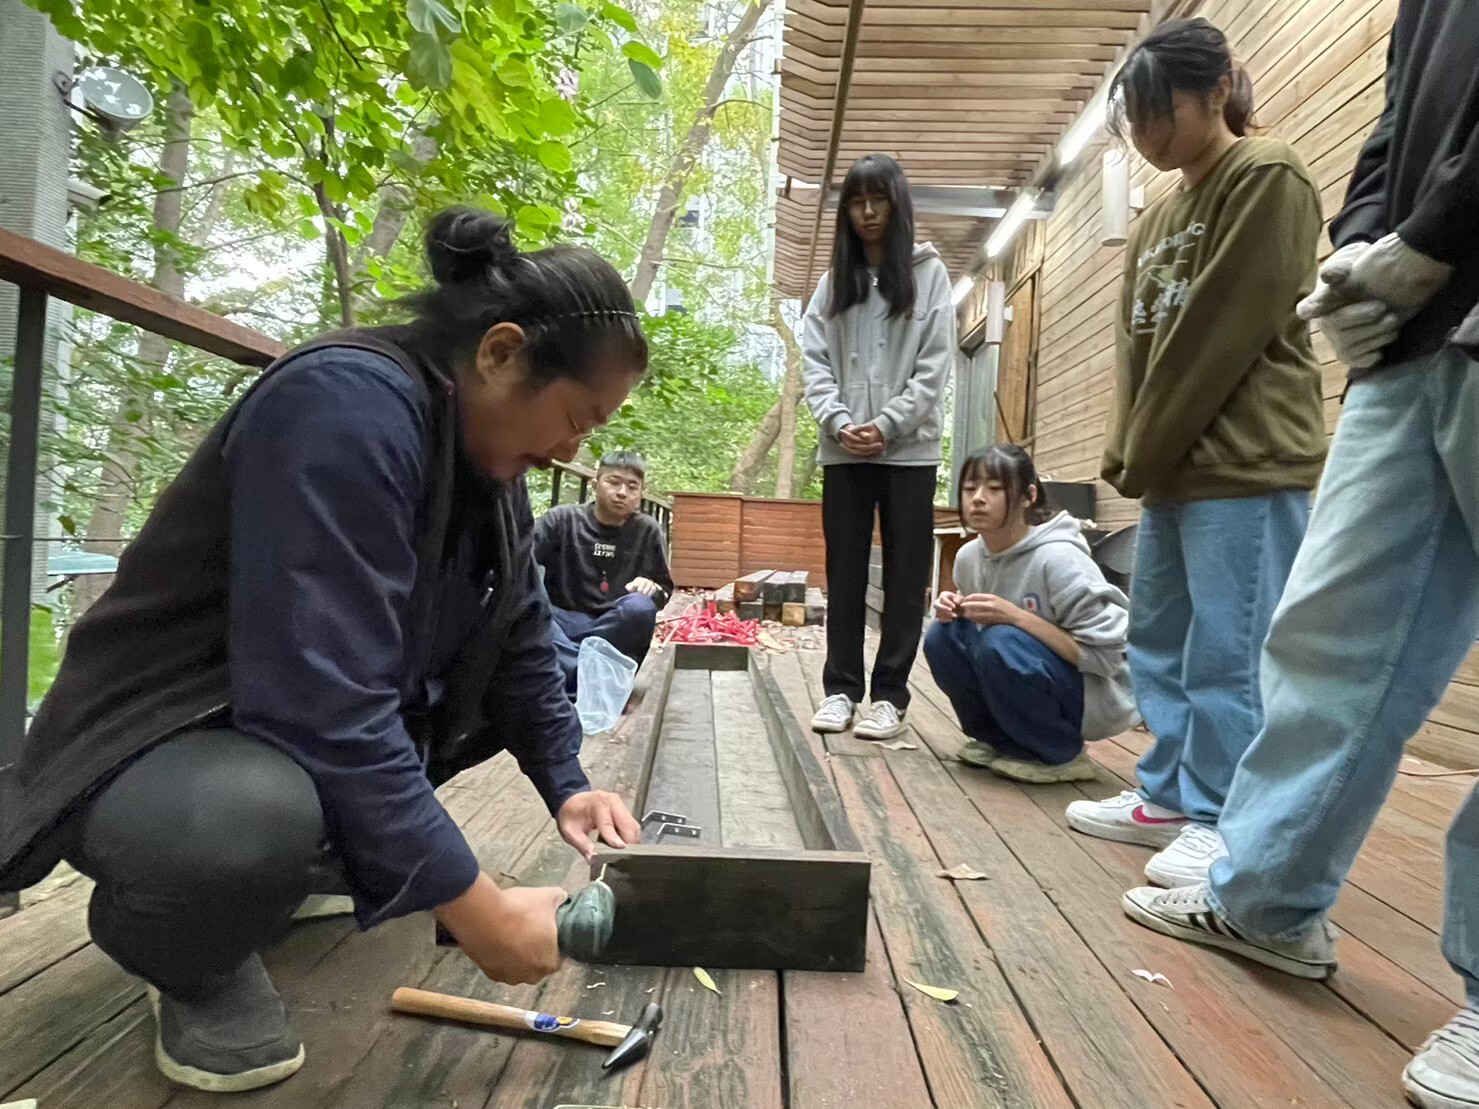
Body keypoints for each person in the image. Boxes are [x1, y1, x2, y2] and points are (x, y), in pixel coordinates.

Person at [0, 208, 646, 1094]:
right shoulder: (343, 405)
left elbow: (521, 636)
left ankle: (304, 866)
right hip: (156, 744)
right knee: (247, 824)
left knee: (492, 697)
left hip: (275, 737)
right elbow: (321, 701)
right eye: (575, 417)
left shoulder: (490, 465)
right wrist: (479, 908)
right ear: (500, 352)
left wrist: (569, 786)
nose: (575, 450)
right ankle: (190, 958)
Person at [1118, 3, 1479, 1105]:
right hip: (1403, 339)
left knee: (1238, 634)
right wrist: (1371, 243)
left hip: (1439, 284)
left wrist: (1434, 239)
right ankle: (1267, 893)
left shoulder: (1260, 171)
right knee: (1323, 633)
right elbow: (1390, 134)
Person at [1064, 18, 1327, 889]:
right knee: (1160, 638)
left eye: (1156, 114)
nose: (1143, 137)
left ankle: (1226, 816)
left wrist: (1145, 446)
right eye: (1131, 121)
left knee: (1231, 650)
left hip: (1245, 461)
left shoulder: (1266, 175)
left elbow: (1222, 331)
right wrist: (1126, 449)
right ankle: (1171, 794)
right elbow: (1136, 349)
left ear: (1214, 90)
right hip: (1171, 466)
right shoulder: (1158, 216)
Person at [801, 153, 955, 742]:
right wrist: (839, 421)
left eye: (878, 201)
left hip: (908, 452)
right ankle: (840, 690)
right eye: (857, 203)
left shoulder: (929, 274)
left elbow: (935, 363)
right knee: (843, 573)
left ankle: (890, 696)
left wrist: (888, 424)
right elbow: (814, 361)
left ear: (897, 206)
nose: (867, 213)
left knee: (904, 574)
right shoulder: (830, 283)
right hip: (843, 452)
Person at [924, 446, 1139, 784]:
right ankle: (996, 739)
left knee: (1001, 640)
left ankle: (1061, 753)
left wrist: (1018, 618)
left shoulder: (1060, 560)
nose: (978, 499)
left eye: (994, 488)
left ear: (1029, 496)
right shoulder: (969, 556)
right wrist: (956, 608)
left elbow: (1109, 658)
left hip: (1094, 694)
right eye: (969, 488)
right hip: (1030, 667)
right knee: (942, 636)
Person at [535, 449, 673, 693]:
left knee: (639, 608)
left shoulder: (647, 530)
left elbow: (663, 592)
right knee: (527, 602)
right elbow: (520, 563)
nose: (622, 492)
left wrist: (651, 589)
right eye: (613, 482)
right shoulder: (562, 519)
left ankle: (572, 673)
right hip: (563, 622)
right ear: (595, 484)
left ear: (640, 494)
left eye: (632, 486)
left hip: (614, 624)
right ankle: (591, 676)